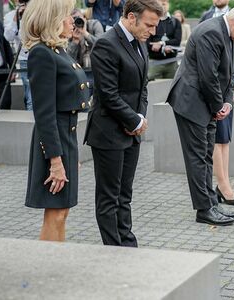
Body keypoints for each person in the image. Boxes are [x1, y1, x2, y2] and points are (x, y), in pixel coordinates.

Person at [168, 4, 234, 226]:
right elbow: (208, 75)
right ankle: (204, 210)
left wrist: (227, 102)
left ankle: (211, 203)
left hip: (207, 102)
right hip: (190, 101)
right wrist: (219, 105)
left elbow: (228, 74)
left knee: (206, 155)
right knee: (198, 158)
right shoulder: (211, 31)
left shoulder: (229, 34)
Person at [83, 0, 161, 247]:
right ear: (130, 17)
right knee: (109, 197)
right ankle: (114, 249)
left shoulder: (140, 43)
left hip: (131, 132)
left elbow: (142, 88)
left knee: (124, 195)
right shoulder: (106, 44)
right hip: (108, 133)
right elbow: (108, 94)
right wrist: (133, 119)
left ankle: (127, 243)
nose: (153, 31)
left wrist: (138, 120)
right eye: (149, 25)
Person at [21, 0, 90, 242]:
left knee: (62, 211)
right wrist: (56, 161)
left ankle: (57, 265)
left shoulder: (57, 50)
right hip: (53, 142)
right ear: (51, 19)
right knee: (55, 214)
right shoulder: (41, 53)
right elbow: (44, 113)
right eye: (66, 16)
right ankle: (46, 271)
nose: (72, 20)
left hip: (65, 138)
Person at [200, 0, 234, 208]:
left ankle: (224, 185)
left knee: (225, 138)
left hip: (229, 89)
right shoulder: (206, 18)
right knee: (215, 138)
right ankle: (222, 186)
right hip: (213, 90)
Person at [4, 0, 32, 110]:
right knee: (29, 94)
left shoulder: (37, 13)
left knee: (32, 94)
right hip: (25, 59)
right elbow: (8, 37)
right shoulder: (10, 16)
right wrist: (17, 17)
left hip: (40, 56)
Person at [146, 0, 181, 80]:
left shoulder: (175, 21)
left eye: (164, 3)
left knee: (171, 89)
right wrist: (163, 48)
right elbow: (147, 42)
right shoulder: (150, 20)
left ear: (168, 4)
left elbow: (177, 41)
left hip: (172, 62)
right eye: (160, 3)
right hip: (154, 62)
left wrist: (161, 43)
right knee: (152, 89)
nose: (163, 6)